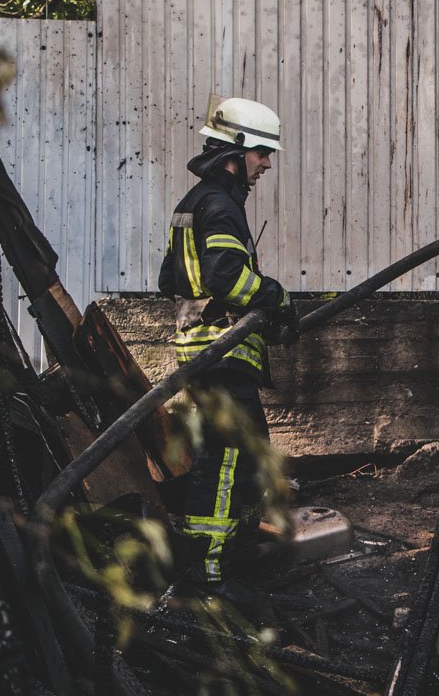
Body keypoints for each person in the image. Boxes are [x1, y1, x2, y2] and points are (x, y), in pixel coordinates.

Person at [158, 95, 298, 598]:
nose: (266, 164)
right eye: (262, 153)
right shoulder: (220, 206)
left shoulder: (192, 205)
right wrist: (276, 297)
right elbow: (226, 277)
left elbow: (167, 279)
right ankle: (207, 572)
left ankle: (236, 555)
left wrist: (263, 318)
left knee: (247, 456)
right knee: (225, 461)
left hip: (204, 353)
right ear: (235, 153)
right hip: (221, 355)